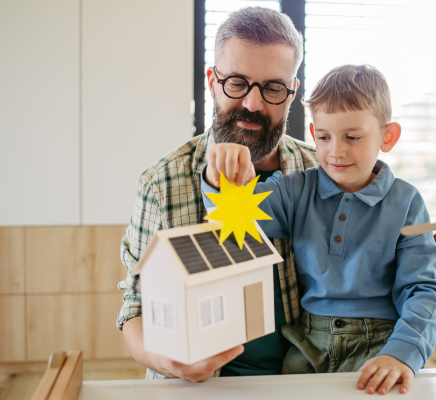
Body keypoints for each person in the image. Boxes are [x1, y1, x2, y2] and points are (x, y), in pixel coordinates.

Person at [202, 65, 436, 395]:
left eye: (353, 137)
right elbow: (231, 219)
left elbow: (423, 289)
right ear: (314, 133)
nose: (336, 152)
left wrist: (402, 353)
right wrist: (218, 174)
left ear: (387, 137)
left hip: (380, 345)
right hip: (306, 346)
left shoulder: (406, 202)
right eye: (325, 137)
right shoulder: (294, 189)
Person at [117, 7, 318, 381]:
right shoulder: (162, 183)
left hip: (300, 383)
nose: (253, 104)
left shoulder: (319, 174)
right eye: (237, 83)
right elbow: (135, 309)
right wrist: (172, 361)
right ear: (212, 80)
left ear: (292, 93)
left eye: (273, 87)